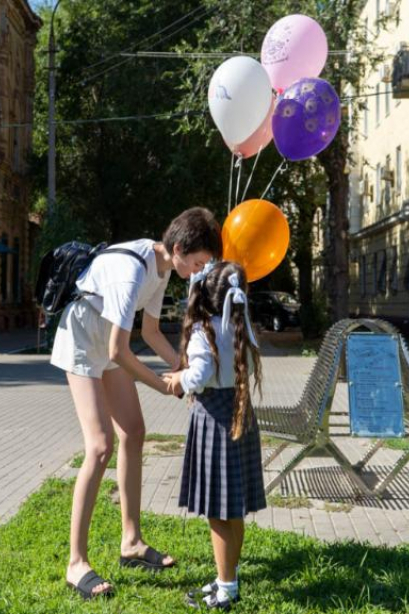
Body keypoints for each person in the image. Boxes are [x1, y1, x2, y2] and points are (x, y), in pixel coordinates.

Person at [50, 207, 222, 600]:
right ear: (178, 248)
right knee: (99, 445)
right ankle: (76, 563)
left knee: (135, 432)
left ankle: (131, 542)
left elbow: (149, 330)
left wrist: (184, 367)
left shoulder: (161, 269)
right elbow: (120, 350)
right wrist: (167, 386)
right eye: (196, 262)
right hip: (82, 336)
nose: (198, 271)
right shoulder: (133, 271)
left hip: (108, 337)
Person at [162, 261, 266, 610]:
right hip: (240, 415)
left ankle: (226, 588)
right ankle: (228, 575)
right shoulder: (240, 324)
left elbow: (200, 373)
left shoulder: (203, 330)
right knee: (232, 509)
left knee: (218, 513)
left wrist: (179, 381)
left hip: (216, 421)